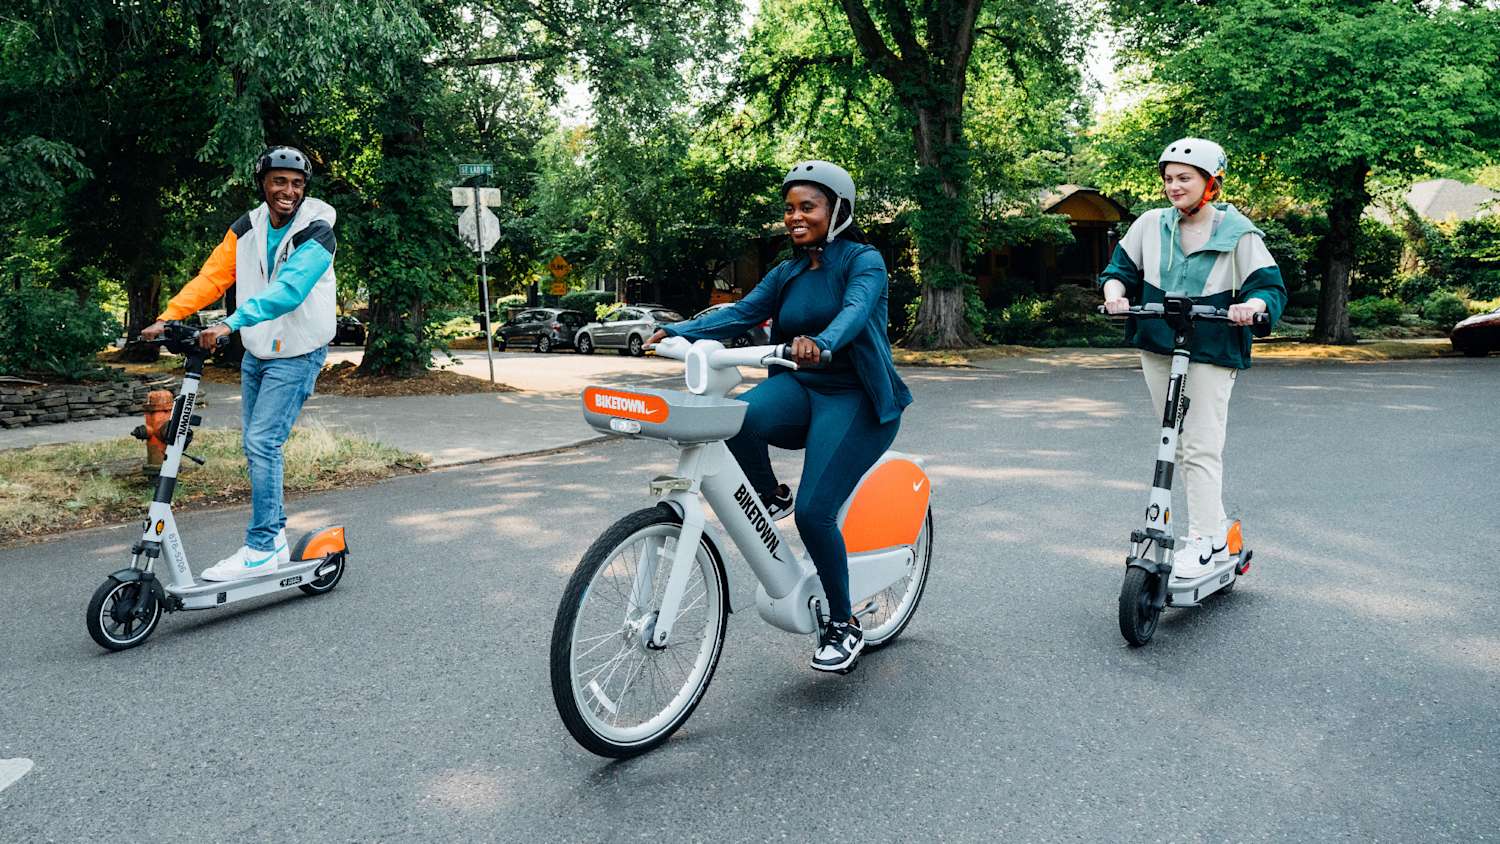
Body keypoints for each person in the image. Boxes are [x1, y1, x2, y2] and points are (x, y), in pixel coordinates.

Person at [647, 160, 912, 672]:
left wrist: (823, 343)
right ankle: (770, 495)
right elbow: (741, 313)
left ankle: (842, 622)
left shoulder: (864, 260)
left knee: (816, 514)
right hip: (800, 386)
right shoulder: (787, 272)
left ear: (837, 211)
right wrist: (681, 330)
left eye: (807, 207)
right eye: (789, 208)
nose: (795, 216)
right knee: (736, 417)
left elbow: (854, 313)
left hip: (857, 398)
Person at [140, 145, 338, 582]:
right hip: (260, 350)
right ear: (263, 183)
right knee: (256, 446)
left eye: (297, 184)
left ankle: (264, 545)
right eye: (279, 181)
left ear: (304, 189)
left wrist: (230, 323)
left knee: (262, 444)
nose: (288, 191)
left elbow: (289, 289)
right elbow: (213, 276)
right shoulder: (246, 227)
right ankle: (274, 539)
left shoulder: (317, 231)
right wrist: (169, 316)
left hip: (299, 352)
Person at [1098, 137, 1287, 579]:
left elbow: (1269, 289)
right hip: (1159, 342)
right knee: (1176, 443)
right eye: (1168, 179)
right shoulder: (1149, 224)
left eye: (1184, 178)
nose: (1173, 186)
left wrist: (1252, 307)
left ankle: (1204, 542)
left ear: (1211, 183)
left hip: (1212, 346)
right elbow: (1118, 273)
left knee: (1201, 445)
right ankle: (1216, 531)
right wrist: (1115, 297)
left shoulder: (1237, 232)